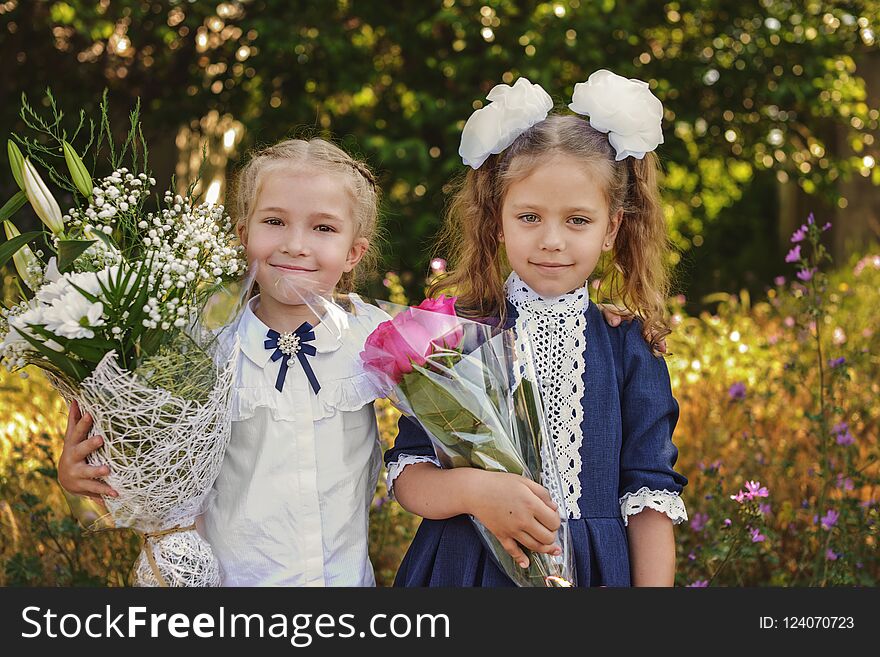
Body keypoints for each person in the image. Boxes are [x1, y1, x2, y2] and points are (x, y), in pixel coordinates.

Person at [386, 71, 688, 587]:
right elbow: (409, 475)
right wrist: (474, 492)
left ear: (612, 227)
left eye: (577, 220)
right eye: (529, 216)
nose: (552, 240)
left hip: (591, 573)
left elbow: (649, 499)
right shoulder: (455, 335)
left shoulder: (628, 346)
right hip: (466, 569)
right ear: (496, 220)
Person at [58, 138, 389, 586]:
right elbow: (139, 453)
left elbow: (439, 430)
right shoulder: (200, 345)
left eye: (323, 229)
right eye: (274, 221)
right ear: (242, 234)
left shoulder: (377, 336)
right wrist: (80, 471)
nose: (295, 244)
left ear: (354, 251)